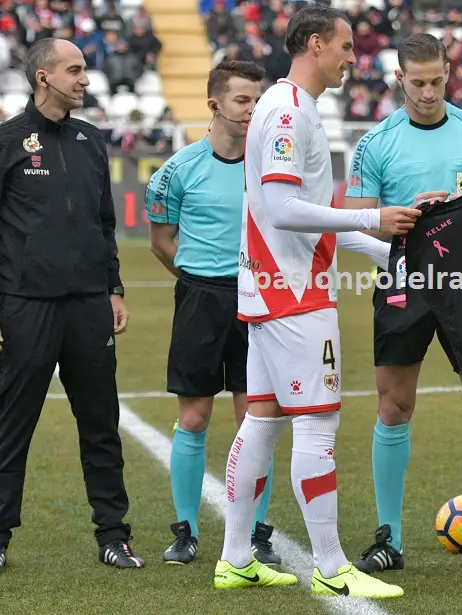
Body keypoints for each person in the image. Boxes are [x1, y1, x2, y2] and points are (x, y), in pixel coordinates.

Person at [213, 5, 420, 597]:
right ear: (312, 44)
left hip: (275, 287)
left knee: (262, 421)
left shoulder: (294, 108)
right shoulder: (285, 111)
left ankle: (234, 557)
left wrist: (388, 256)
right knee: (318, 424)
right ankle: (331, 568)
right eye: (346, 46)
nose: (354, 57)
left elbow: (308, 217)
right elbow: (282, 210)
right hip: (294, 294)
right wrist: (373, 216)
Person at [343, 33, 462, 579]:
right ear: (399, 78)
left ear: (448, 72)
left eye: (437, 80)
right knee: (393, 406)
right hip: (403, 282)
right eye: (417, 82)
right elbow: (354, 227)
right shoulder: (375, 144)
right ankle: (389, 539)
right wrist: (402, 225)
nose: (428, 92)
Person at [0, 38, 142, 570]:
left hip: (88, 306)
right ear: (44, 77)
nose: (85, 79)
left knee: (101, 424)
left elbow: (104, 222)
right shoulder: (8, 141)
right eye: (75, 70)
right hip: (25, 306)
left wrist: (114, 287)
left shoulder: (90, 139)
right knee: (12, 424)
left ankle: (113, 534)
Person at [145, 60, 283, 567]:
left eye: (257, 99)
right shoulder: (177, 171)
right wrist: (197, 282)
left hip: (260, 300)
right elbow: (163, 242)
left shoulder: (271, 164)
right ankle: (185, 531)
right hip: (201, 299)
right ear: (214, 105)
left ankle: (257, 532)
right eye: (242, 100)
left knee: (256, 421)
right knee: (194, 416)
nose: (252, 110)